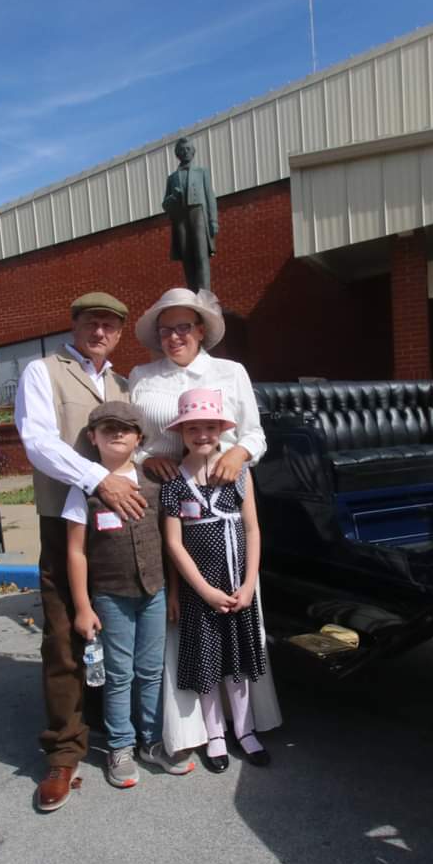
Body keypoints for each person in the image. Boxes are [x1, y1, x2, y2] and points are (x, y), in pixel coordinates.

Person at [129, 286, 278, 758]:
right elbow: (132, 439)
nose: (174, 336)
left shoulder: (230, 372)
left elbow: (253, 433)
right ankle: (197, 730)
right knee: (188, 620)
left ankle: (246, 723)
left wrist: (237, 451)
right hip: (171, 494)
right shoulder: (141, 375)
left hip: (226, 487)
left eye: (183, 327)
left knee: (234, 621)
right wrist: (147, 458)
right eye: (165, 328)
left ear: (200, 330)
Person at [14, 292, 148, 813]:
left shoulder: (123, 382)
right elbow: (37, 441)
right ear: (73, 325)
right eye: (91, 322)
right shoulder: (43, 371)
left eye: (110, 325)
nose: (100, 332)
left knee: (118, 622)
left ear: (119, 332)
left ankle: (118, 730)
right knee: (66, 631)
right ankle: (64, 752)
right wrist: (99, 480)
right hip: (65, 518)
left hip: (124, 522)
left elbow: (138, 442)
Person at [63, 401, 195, 788]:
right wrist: (83, 606)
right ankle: (120, 745)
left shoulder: (155, 485)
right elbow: (76, 551)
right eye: (107, 428)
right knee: (119, 675)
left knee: (150, 671)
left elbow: (170, 542)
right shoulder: (84, 489)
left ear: (139, 437)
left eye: (125, 428)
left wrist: (170, 591)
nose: (116, 434)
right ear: (93, 437)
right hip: (110, 596)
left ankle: (151, 741)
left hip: (155, 592)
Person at [160, 388, 276, 772]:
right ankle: (215, 735)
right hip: (202, 593)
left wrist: (247, 585)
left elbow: (254, 530)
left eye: (211, 427)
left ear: (221, 430)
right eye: (194, 428)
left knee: (238, 663)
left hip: (238, 588)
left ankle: (244, 730)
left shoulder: (239, 473)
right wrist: (203, 591)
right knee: (209, 667)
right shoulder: (175, 485)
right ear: (182, 432)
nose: (203, 434)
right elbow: (174, 544)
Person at [162, 137, 218, 292]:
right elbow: (165, 205)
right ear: (177, 154)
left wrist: (214, 221)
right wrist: (173, 198)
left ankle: (205, 294)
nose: (185, 152)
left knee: (201, 256)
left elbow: (210, 197)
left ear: (193, 152)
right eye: (182, 150)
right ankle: (193, 293)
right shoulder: (172, 178)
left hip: (198, 213)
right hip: (180, 218)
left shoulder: (202, 172)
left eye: (188, 149)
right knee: (187, 258)